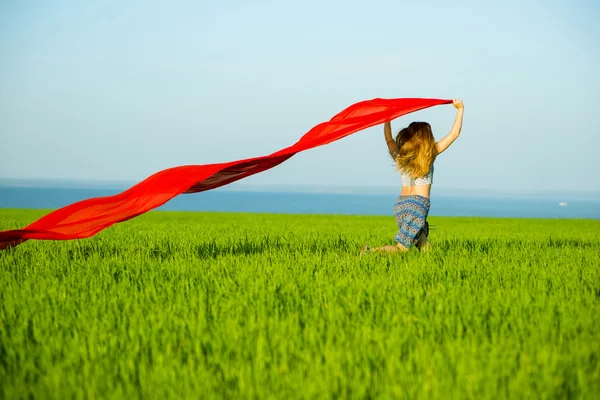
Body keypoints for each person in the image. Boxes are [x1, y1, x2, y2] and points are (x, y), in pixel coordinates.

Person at [362, 98, 464, 254]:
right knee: (402, 249)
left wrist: (387, 118)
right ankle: (371, 252)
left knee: (422, 243)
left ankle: (435, 266)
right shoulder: (430, 154)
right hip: (417, 206)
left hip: (401, 206)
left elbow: (389, 139)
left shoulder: (401, 156)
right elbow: (454, 134)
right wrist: (460, 109)